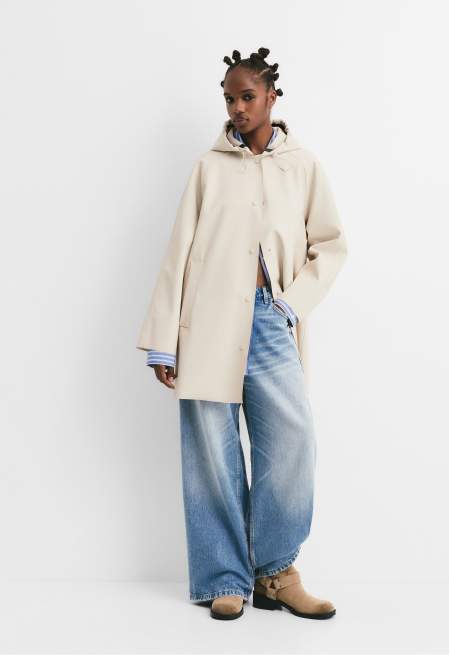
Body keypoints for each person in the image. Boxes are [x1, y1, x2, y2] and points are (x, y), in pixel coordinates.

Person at [136, 47, 348, 621]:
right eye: (229, 98)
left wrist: (288, 305)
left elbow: (330, 246)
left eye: (247, 96)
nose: (237, 108)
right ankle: (223, 578)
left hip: (270, 320)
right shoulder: (209, 167)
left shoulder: (302, 165)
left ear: (272, 96)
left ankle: (276, 572)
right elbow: (179, 250)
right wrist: (164, 338)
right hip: (206, 323)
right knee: (212, 451)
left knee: (291, 443)